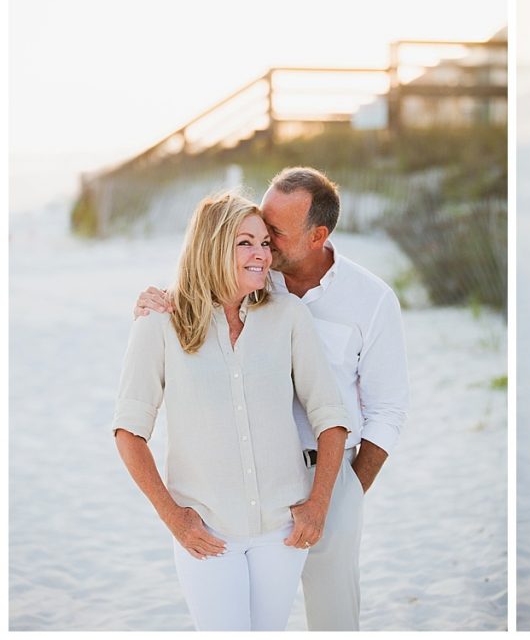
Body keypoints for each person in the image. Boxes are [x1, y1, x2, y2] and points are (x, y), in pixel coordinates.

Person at [135, 167, 409, 631]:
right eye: (258, 230)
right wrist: (152, 305)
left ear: (317, 234)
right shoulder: (255, 279)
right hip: (249, 481)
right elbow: (200, 289)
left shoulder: (372, 299)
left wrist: (343, 493)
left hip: (331, 472)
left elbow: (388, 411)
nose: (263, 243)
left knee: (333, 616)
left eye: (274, 234)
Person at [113, 192, 351, 631]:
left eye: (264, 242)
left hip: (282, 531)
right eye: (246, 243)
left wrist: (318, 504)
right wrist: (175, 518)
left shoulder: (289, 316)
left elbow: (330, 416)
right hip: (207, 533)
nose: (262, 254)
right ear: (213, 246)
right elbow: (129, 433)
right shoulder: (159, 324)